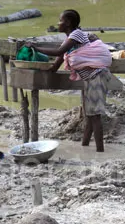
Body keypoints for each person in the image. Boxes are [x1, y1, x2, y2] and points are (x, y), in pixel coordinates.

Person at [28, 9, 112, 152]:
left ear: (68, 23)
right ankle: (85, 146)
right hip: (91, 78)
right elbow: (57, 63)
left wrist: (35, 47)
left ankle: (100, 153)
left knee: (95, 116)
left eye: (60, 20)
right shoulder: (70, 40)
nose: (58, 23)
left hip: (97, 76)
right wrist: (45, 69)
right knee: (90, 114)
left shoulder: (76, 34)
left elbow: (59, 52)